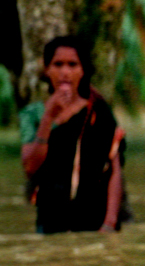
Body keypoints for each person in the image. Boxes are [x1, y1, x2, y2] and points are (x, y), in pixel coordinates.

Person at [19, 36, 125, 234]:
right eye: (58, 64)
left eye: (72, 65)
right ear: (47, 69)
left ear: (83, 70)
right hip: (50, 221)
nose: (65, 72)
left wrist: (109, 224)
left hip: (95, 221)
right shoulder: (32, 115)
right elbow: (30, 167)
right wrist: (48, 117)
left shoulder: (99, 113)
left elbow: (115, 171)